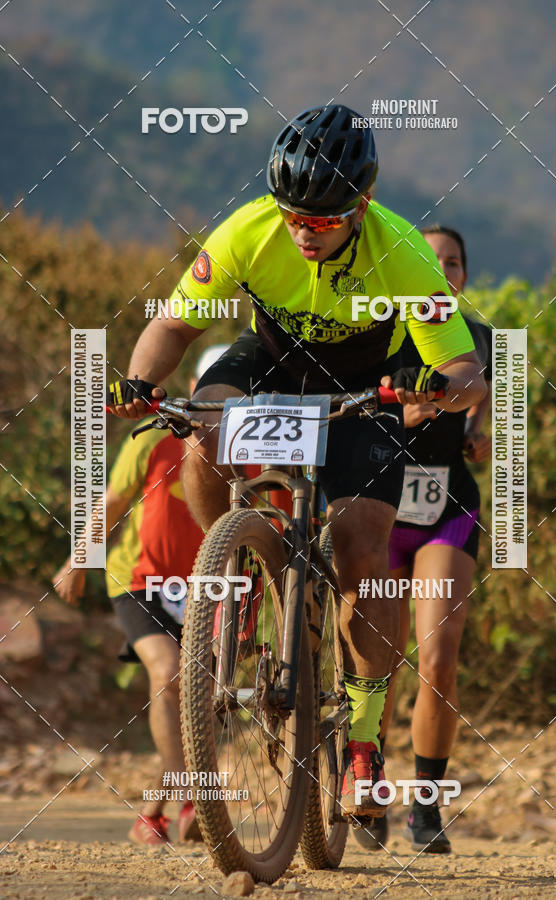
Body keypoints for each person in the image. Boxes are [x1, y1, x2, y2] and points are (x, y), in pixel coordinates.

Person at [106, 105, 487, 819]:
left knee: (360, 549)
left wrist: (435, 388)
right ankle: (234, 569)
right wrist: (140, 382)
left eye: (322, 219)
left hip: (365, 381)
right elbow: (174, 323)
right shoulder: (248, 229)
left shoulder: (401, 250)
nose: (303, 232)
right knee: (201, 431)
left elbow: (470, 371)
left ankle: (367, 748)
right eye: (292, 216)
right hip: (273, 364)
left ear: (361, 205)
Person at [54, 347, 228, 844]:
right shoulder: (155, 435)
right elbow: (112, 500)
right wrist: (77, 560)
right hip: (140, 580)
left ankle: (153, 810)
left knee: (197, 696)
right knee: (168, 672)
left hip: (208, 586)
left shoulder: (247, 445)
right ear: (194, 388)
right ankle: (193, 795)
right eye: (210, 390)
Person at [354, 225, 492, 852]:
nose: (443, 270)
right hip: (377, 512)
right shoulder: (375, 334)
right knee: (373, 663)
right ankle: (368, 782)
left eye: (454, 263)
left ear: (465, 276)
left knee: (437, 656)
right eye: (429, 261)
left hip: (447, 510)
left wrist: (480, 437)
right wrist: (399, 412)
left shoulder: (484, 343)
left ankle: (427, 807)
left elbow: (493, 432)